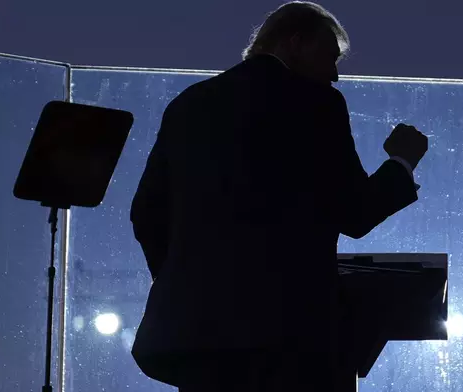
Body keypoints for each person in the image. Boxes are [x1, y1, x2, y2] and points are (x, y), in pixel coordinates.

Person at [129, 2, 429, 391]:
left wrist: (187, 281)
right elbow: (354, 213)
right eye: (329, 56)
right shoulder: (315, 102)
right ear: (295, 43)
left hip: (197, 338)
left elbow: (146, 213)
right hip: (290, 340)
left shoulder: (189, 103)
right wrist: (402, 162)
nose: (335, 74)